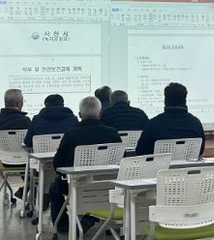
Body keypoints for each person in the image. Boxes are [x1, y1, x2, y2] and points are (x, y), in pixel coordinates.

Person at [50, 96, 121, 232]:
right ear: (100, 114)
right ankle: (92, 217)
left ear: (79, 114)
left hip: (77, 186)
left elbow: (57, 165)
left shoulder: (71, 134)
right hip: (108, 186)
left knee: (54, 187)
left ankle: (62, 225)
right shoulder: (112, 133)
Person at [135, 82, 205, 155]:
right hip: (188, 163)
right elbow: (200, 150)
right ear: (185, 101)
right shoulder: (196, 124)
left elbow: (141, 151)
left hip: (160, 163)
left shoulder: (153, 124)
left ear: (165, 101)